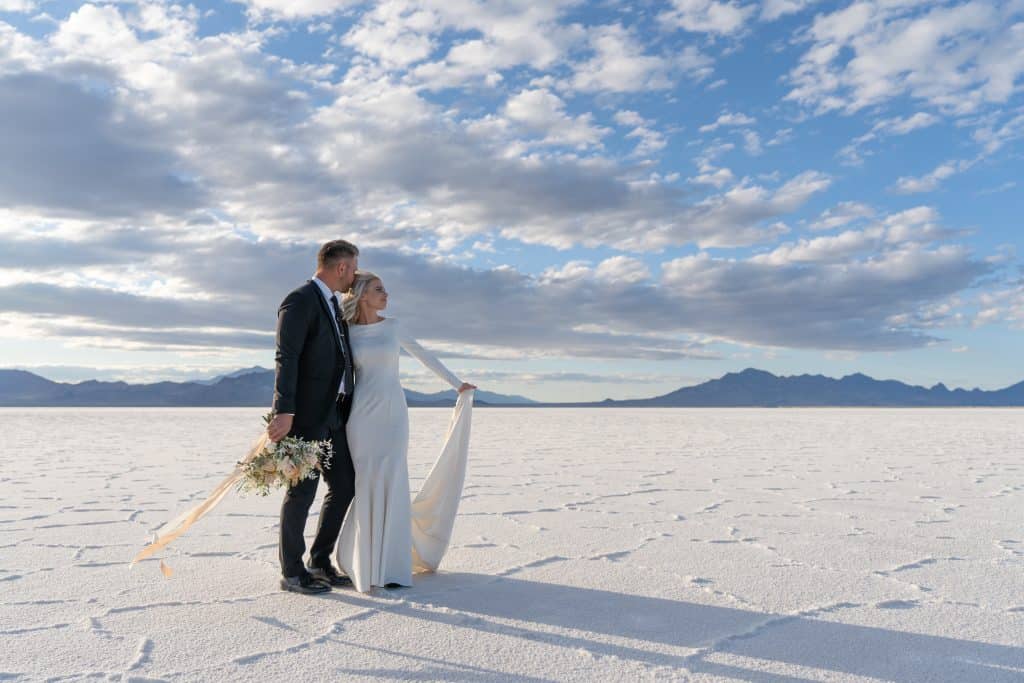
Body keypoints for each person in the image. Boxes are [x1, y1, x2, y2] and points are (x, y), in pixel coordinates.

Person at [335, 271, 476, 592]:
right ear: (362, 295)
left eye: (385, 289)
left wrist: (457, 384)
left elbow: (424, 355)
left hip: (393, 412)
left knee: (394, 478)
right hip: (361, 414)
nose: (386, 294)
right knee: (367, 480)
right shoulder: (347, 332)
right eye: (379, 289)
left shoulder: (394, 326)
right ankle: (364, 563)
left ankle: (393, 568)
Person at [268, 239, 359, 594]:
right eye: (352, 268)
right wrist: (284, 411)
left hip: (333, 414)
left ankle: (320, 561)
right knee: (301, 492)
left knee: (345, 484)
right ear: (341, 267)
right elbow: (286, 357)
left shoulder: (335, 305)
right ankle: (292, 571)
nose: (353, 276)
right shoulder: (300, 300)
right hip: (304, 416)